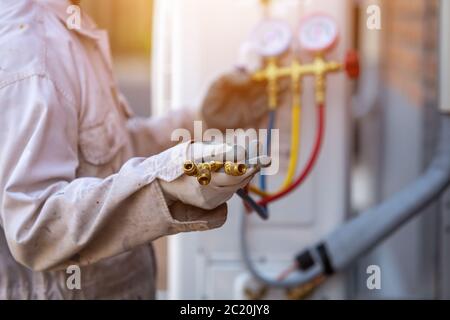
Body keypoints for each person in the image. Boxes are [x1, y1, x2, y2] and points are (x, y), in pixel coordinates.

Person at [0, 0, 275, 299]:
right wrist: (164, 184)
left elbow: (106, 158)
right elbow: (34, 228)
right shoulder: (30, 50)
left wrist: (201, 119)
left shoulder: (64, 28)